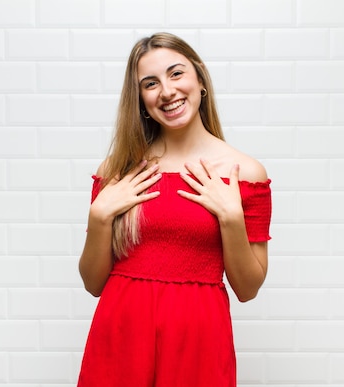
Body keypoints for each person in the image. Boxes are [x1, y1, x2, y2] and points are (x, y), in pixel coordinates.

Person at [77, 32, 272, 387]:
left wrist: (230, 220)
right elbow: (92, 283)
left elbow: (247, 288)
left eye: (176, 73)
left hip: (199, 339)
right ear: (140, 99)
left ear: (200, 80)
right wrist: (100, 217)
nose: (166, 91)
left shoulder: (244, 174)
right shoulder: (117, 171)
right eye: (150, 83)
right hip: (120, 335)